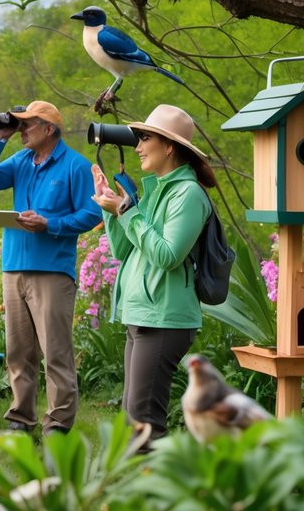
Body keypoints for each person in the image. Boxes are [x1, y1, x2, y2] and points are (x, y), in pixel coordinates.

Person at [0, 100, 102, 435]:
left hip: (52, 272)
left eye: (28, 125)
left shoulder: (75, 166)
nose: (22, 130)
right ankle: (21, 417)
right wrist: (0, 139)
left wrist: (51, 224)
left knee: (55, 352)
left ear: (49, 128)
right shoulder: (21, 160)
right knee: (18, 351)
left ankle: (57, 423)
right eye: (20, 124)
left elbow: (93, 214)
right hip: (14, 268)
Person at [92, 104, 214, 448]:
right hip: (143, 315)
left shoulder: (187, 194)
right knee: (136, 419)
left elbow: (167, 255)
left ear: (169, 146)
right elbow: (125, 251)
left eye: (145, 138)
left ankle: (158, 493)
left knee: (145, 423)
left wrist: (127, 211)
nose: (138, 146)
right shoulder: (158, 190)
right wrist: (113, 209)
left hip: (165, 318)